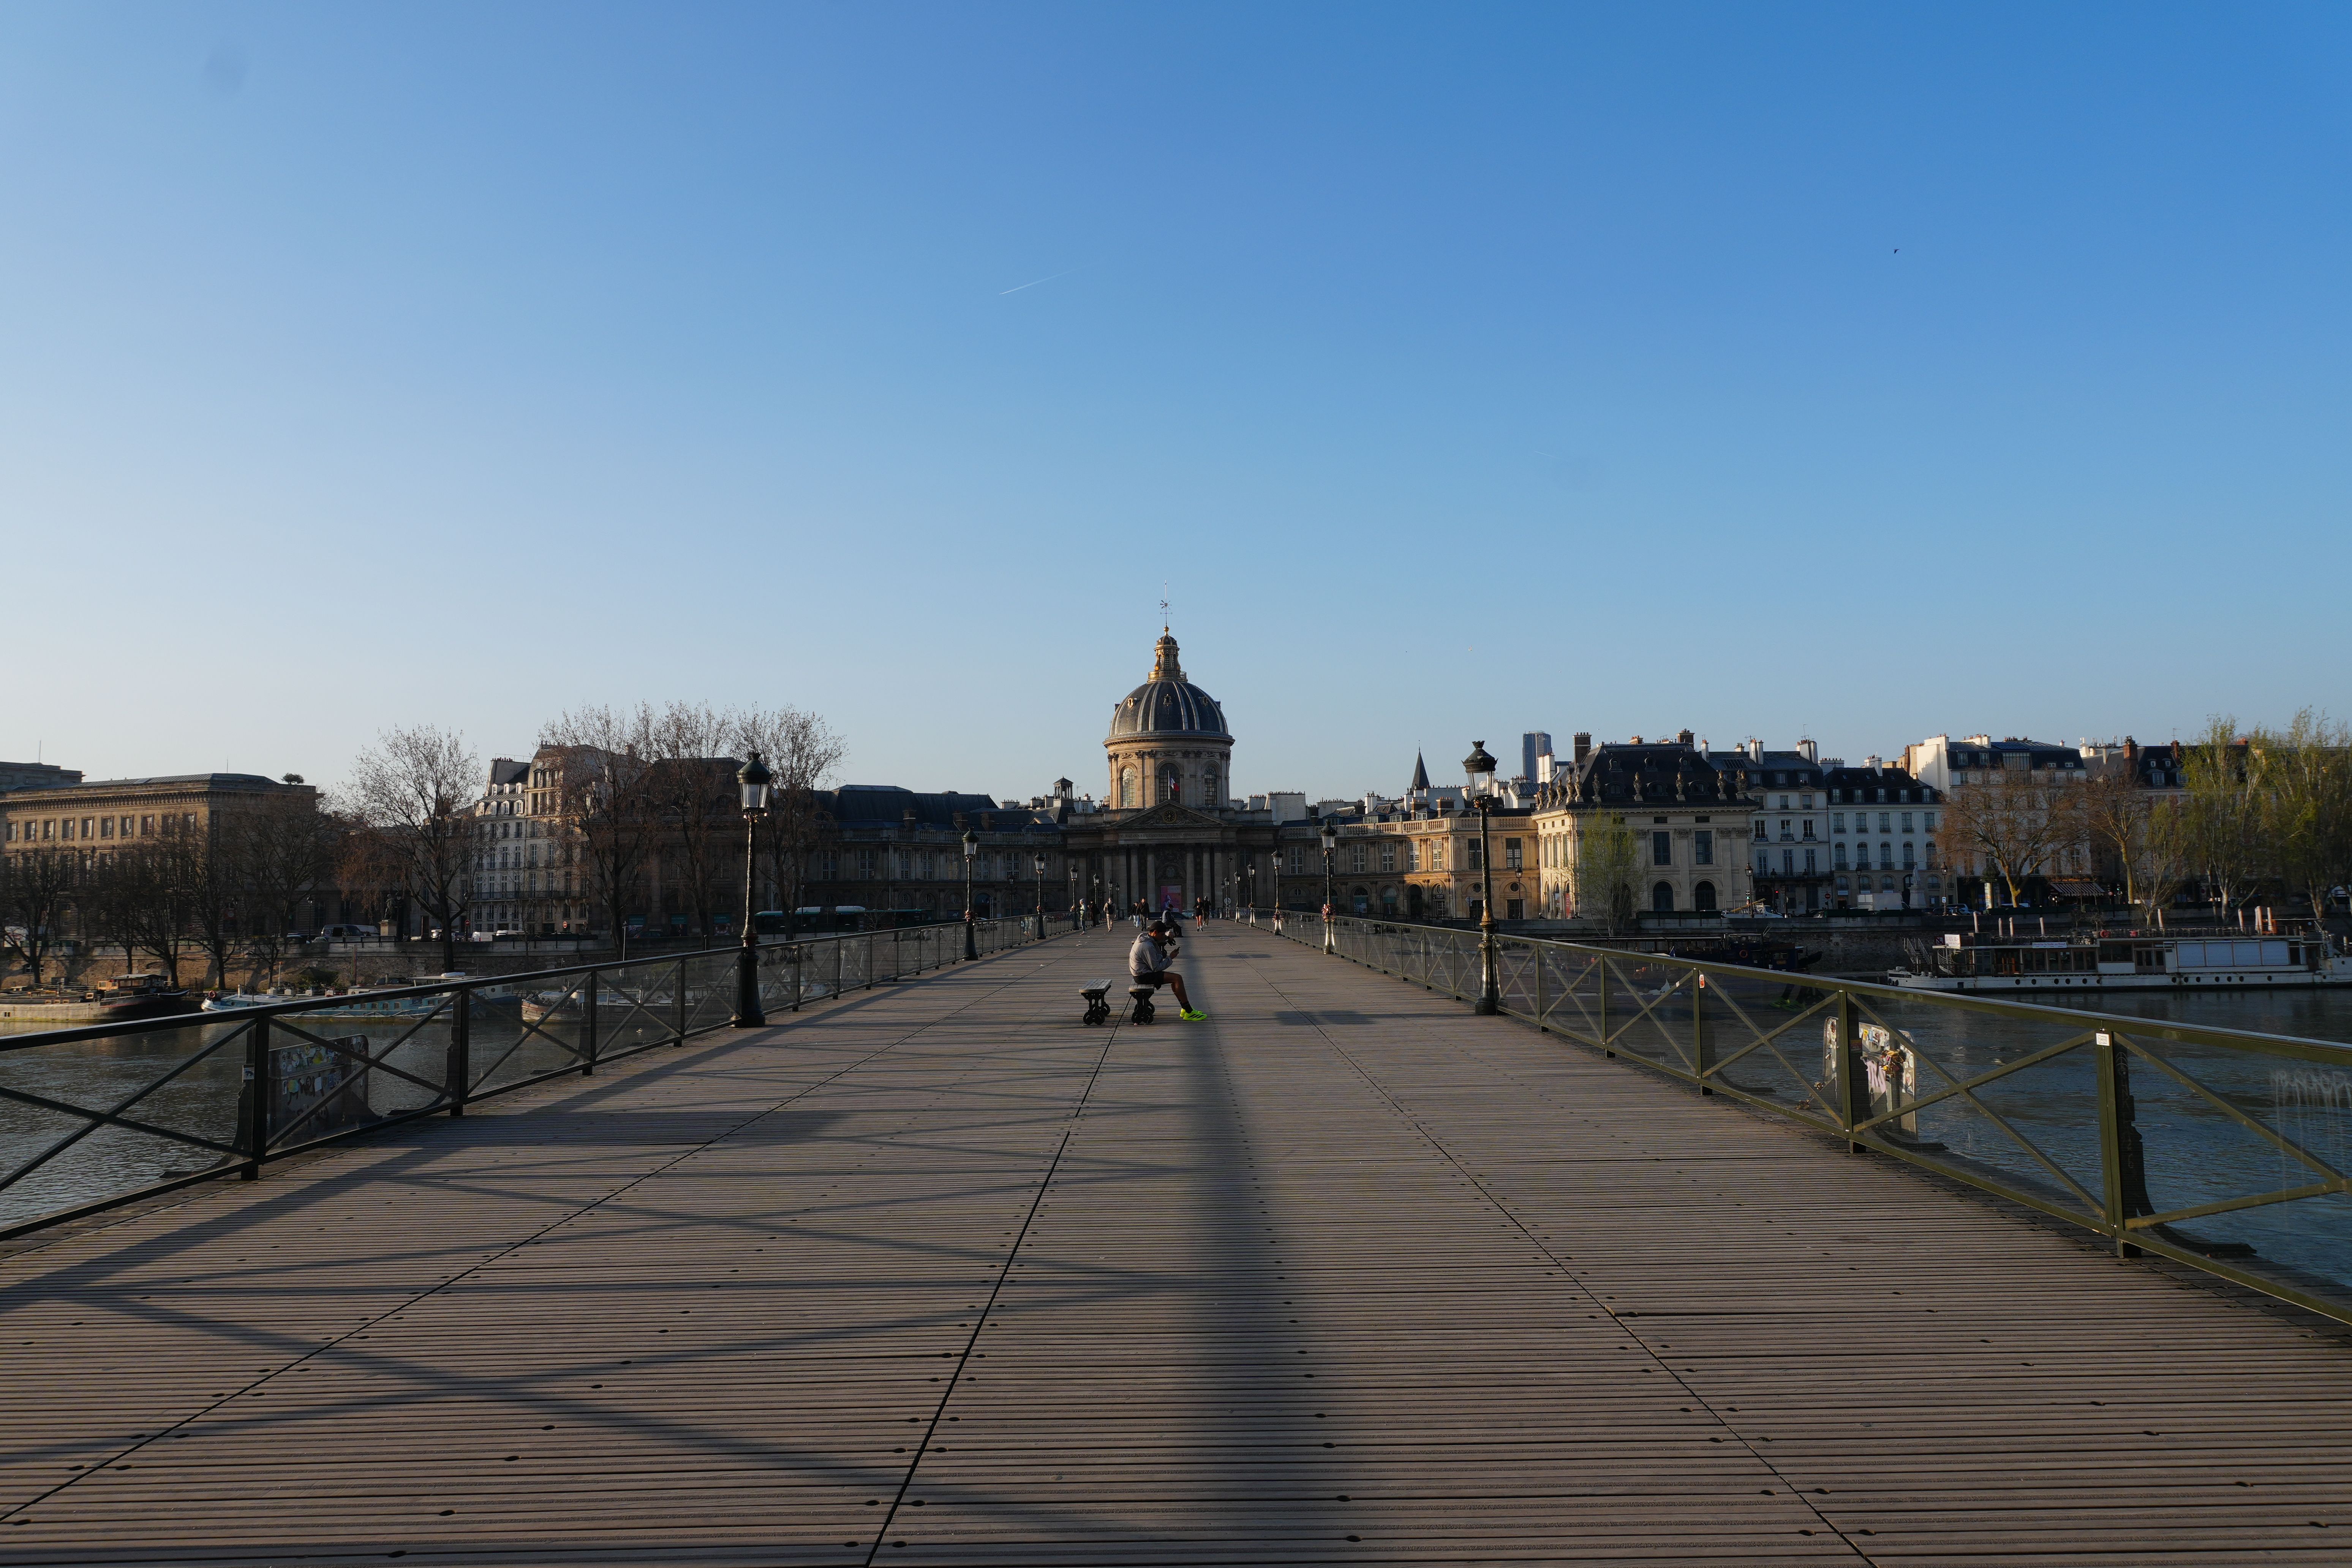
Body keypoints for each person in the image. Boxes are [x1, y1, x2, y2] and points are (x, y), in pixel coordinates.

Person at [1129, 919, 1204, 1020]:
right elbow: (1156, 968)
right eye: (1162, 934)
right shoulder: (1147, 946)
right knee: (1177, 978)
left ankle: (1185, 1008)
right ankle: (1189, 1012)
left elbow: (1162, 938)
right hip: (1143, 976)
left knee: (1175, 979)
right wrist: (1171, 958)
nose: (1163, 936)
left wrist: (1168, 936)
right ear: (1155, 932)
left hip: (1142, 972)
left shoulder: (1146, 937)